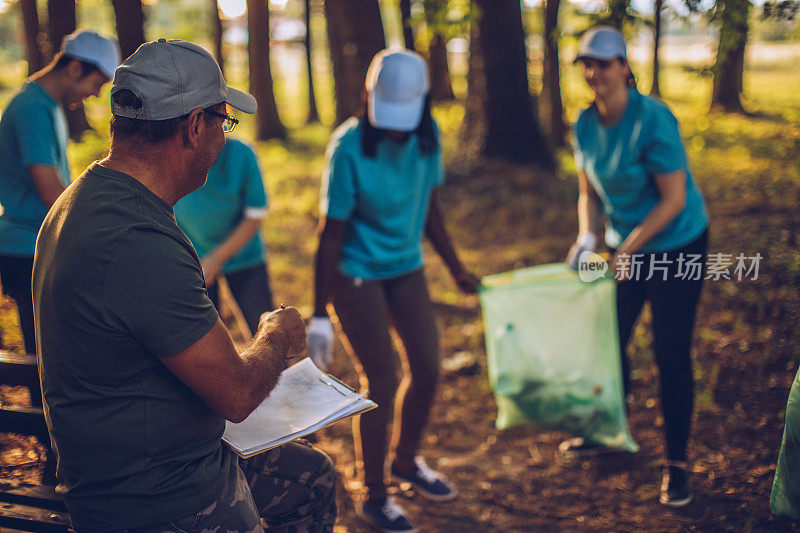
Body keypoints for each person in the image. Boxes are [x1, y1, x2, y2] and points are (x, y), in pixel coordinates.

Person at [32, 39, 335, 532]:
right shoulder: (139, 243)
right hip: (162, 499)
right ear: (196, 126)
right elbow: (237, 395)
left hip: (136, 463)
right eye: (223, 121)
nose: (222, 137)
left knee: (311, 475)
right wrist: (276, 336)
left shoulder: (82, 198)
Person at [308, 48, 479, 533]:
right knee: (382, 381)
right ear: (368, 98)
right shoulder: (348, 148)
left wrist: (456, 268)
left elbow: (430, 208)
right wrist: (319, 311)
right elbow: (331, 233)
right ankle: (374, 495)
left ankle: (406, 462)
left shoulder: (427, 140)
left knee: (427, 368)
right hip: (356, 273)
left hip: (405, 267)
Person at [564, 27, 709, 507]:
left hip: (675, 244)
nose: (594, 72)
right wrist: (588, 236)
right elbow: (589, 192)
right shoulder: (584, 124)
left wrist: (628, 249)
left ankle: (677, 465)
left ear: (624, 67)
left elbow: (673, 199)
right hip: (623, 247)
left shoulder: (653, 120)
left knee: (669, 351)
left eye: (603, 63)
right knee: (610, 342)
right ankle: (610, 430)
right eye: (587, 63)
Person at [0, 30, 119, 355]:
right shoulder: (32, 109)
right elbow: (51, 192)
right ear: (76, 68)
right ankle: (40, 409)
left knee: (54, 352)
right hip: (28, 248)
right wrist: (102, 213)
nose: (96, 94)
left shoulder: (46, 106)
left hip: (36, 243)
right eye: (97, 82)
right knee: (47, 356)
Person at [174, 137, 274, 336]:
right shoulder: (170, 154)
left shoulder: (243, 154)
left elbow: (255, 214)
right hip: (191, 260)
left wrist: (216, 258)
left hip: (245, 255)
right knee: (203, 340)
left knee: (265, 332)